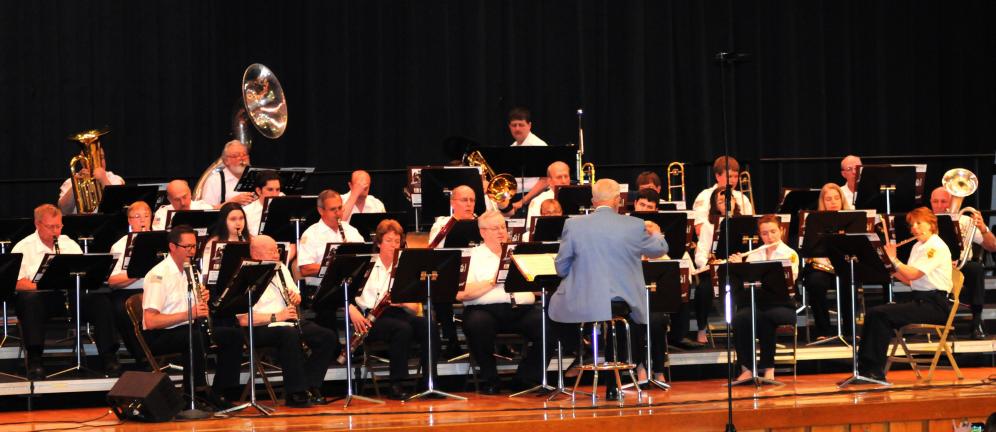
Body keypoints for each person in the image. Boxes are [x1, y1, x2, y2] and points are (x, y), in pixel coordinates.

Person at [549, 178, 668, 398]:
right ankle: (613, 385)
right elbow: (659, 250)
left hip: (584, 298)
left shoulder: (573, 225)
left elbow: (561, 267)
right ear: (618, 200)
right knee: (619, 322)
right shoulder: (634, 225)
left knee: (552, 309)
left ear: (594, 201)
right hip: (622, 300)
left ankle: (583, 349)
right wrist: (656, 230)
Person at [12, 204, 121, 379]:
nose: (56, 231)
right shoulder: (23, 247)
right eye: (51, 227)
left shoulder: (68, 243)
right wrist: (44, 284)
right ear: (37, 224)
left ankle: (109, 357)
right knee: (29, 301)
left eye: (59, 226)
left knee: (100, 302)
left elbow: (84, 271)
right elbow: (16, 282)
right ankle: (35, 360)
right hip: (43, 298)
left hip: (71, 294)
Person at [142, 225, 243, 409]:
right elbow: (150, 321)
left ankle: (221, 392)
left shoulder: (192, 271)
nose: (191, 251)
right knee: (194, 337)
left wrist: (203, 299)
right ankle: (195, 395)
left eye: (194, 246)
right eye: (186, 247)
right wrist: (190, 314)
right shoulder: (158, 275)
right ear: (172, 247)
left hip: (187, 328)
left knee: (233, 336)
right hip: (161, 334)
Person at [243, 235, 339, 407]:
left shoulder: (281, 268)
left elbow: (297, 297)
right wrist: (276, 316)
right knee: (288, 334)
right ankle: (295, 392)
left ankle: (310, 385)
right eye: (271, 251)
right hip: (261, 326)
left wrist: (296, 298)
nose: (276, 254)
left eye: (277, 250)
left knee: (327, 336)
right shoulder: (244, 274)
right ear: (256, 254)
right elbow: (242, 319)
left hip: (288, 321)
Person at [858, 208, 952, 381]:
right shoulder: (918, 246)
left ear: (931, 224)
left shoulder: (935, 246)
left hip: (935, 305)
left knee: (880, 314)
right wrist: (888, 266)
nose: (914, 228)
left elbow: (913, 274)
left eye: (919, 223)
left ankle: (874, 371)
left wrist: (894, 260)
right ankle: (864, 370)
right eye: (912, 225)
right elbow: (909, 281)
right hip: (921, 300)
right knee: (874, 312)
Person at [348, 220, 437, 399]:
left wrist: (402, 302)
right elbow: (345, 295)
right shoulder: (366, 265)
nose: (394, 245)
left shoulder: (406, 267)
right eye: (389, 241)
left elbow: (414, 307)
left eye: (397, 241)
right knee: (402, 329)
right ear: (379, 242)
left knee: (429, 325)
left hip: (399, 313)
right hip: (371, 319)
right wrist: (352, 311)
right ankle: (396, 384)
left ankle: (428, 382)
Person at [458, 211, 546, 394]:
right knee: (476, 324)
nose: (500, 231)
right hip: (484, 310)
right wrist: (494, 280)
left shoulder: (518, 252)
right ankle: (491, 380)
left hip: (521, 308)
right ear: (482, 232)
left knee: (549, 324)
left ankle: (525, 378)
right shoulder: (472, 256)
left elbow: (537, 288)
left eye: (502, 227)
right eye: (494, 228)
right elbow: (462, 294)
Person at [727, 215, 800, 381]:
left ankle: (768, 368)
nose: (770, 237)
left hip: (784, 305)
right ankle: (746, 368)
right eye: (765, 233)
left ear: (781, 230)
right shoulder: (755, 255)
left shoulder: (790, 254)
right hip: (757, 303)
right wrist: (739, 267)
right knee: (740, 318)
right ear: (760, 235)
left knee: (765, 317)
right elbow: (745, 283)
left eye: (773, 231)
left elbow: (790, 278)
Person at [929, 186, 996, 339]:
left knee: (977, 269)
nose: (939, 205)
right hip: (934, 266)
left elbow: (993, 246)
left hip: (961, 264)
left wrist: (983, 228)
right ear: (930, 202)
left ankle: (977, 321)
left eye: (944, 201)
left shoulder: (966, 220)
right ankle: (942, 325)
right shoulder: (925, 222)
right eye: (935, 201)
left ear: (951, 201)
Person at [297, 190, 365, 327]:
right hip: (322, 289)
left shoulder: (351, 231)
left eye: (340, 208)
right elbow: (305, 269)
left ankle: (359, 344)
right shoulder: (311, 234)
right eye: (333, 209)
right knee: (327, 313)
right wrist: (334, 266)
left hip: (350, 286)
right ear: (321, 211)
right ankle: (334, 345)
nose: (338, 213)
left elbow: (365, 259)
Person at [426, 184, 476, 356]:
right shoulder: (442, 224)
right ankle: (451, 339)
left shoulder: (482, 222)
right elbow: (433, 252)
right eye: (464, 200)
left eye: (472, 200)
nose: (469, 204)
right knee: (439, 287)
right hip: (451, 275)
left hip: (476, 275)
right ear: (453, 202)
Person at [690, 185, 742, 344]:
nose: (725, 204)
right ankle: (701, 329)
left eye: (728, 199)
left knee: (746, 289)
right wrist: (710, 263)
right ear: (714, 205)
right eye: (720, 201)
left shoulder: (743, 222)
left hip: (737, 269)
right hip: (715, 270)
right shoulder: (708, 225)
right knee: (703, 290)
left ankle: (742, 328)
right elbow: (700, 254)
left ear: (734, 201)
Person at [804, 183, 854, 340]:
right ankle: (823, 330)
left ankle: (849, 330)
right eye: (828, 199)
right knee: (815, 282)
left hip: (844, 264)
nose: (833, 202)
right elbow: (809, 248)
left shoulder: (851, 218)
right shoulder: (815, 219)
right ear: (822, 202)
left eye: (836, 198)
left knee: (850, 281)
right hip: (821, 265)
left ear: (842, 199)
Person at [107, 201, 153, 361]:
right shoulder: (120, 246)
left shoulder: (162, 240)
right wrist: (137, 273)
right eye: (137, 217)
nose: (142, 221)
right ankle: (141, 356)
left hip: (156, 288)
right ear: (129, 221)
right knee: (123, 309)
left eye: (146, 216)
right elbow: (112, 281)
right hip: (128, 291)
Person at [691, 156, 754, 235]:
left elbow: (751, 227)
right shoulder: (704, 196)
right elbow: (699, 229)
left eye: (736, 176)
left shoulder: (742, 198)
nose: (733, 181)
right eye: (729, 176)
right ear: (717, 176)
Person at [507, 107, 551, 213]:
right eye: (514, 125)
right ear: (509, 127)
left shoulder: (539, 146)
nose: (517, 129)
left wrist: (523, 201)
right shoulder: (511, 147)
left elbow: (545, 181)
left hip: (534, 199)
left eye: (521, 125)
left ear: (529, 125)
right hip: (516, 198)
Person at [57, 152, 125, 215]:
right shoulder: (70, 182)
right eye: (92, 158)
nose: (99, 162)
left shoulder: (115, 179)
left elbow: (117, 206)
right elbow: (63, 210)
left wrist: (103, 179)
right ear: (82, 161)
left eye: (101, 157)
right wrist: (76, 184)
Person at [200, 140, 255, 208]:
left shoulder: (256, 176)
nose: (241, 158)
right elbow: (208, 211)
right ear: (226, 161)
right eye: (235, 156)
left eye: (244, 155)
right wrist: (232, 202)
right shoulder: (214, 181)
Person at [200, 203, 250, 274]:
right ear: (223, 221)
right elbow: (205, 270)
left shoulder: (251, 240)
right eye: (233, 219)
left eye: (241, 218)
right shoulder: (213, 243)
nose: (238, 223)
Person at [525, 161, 572, 233]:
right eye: (559, 177)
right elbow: (531, 231)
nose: (564, 181)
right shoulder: (538, 201)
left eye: (566, 176)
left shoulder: (579, 198)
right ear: (550, 181)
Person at [242, 170, 282, 236]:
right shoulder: (246, 212)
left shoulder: (285, 208)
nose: (275, 194)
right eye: (270, 189)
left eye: (277, 189)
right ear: (258, 191)